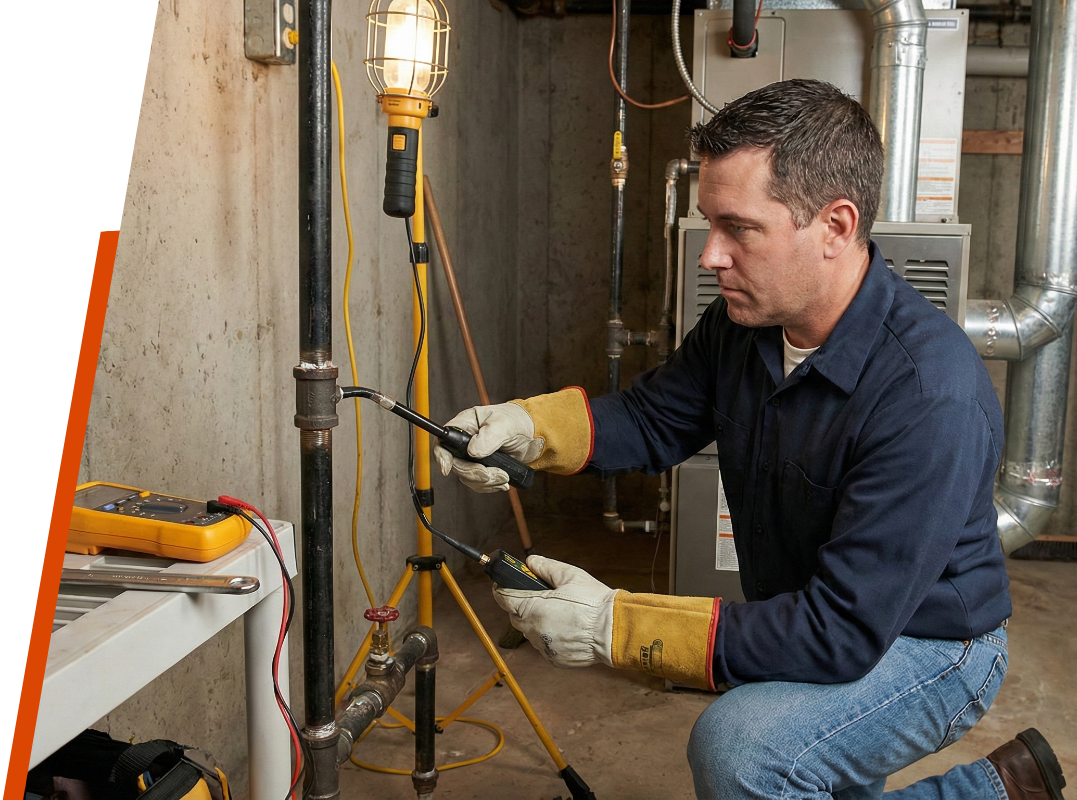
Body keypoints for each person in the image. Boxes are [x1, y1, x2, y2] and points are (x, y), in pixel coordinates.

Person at [433, 80, 1067, 800]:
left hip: (928, 644)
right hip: (814, 610)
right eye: (710, 225)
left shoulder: (927, 396)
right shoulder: (746, 327)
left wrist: (619, 626)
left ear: (834, 225)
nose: (711, 257)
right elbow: (651, 419)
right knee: (795, 761)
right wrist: (526, 427)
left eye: (740, 228)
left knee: (743, 748)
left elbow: (840, 631)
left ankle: (980, 795)